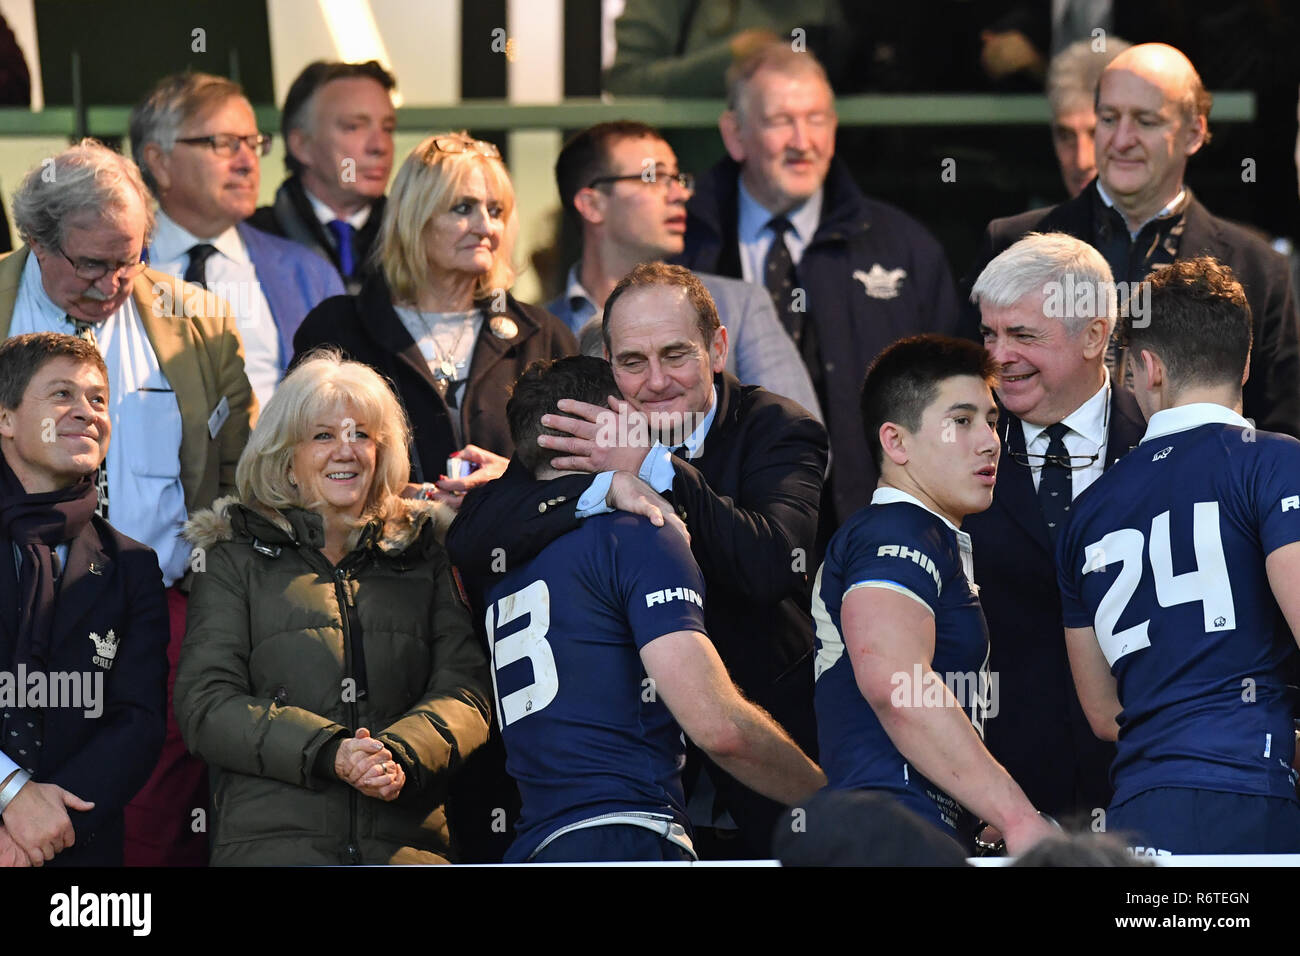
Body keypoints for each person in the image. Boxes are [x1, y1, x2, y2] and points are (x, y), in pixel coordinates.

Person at [447, 262, 827, 858]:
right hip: (631, 796)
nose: (654, 382)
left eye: (675, 354)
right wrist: (602, 488)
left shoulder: (778, 427)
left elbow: (772, 562)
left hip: (765, 768)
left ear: (717, 348)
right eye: (631, 362)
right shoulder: (588, 431)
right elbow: (473, 535)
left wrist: (650, 466)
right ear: (607, 367)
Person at [0, 138, 255, 866]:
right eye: (91, 263)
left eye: (131, 258)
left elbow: (242, 467)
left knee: (150, 827)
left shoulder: (198, 323)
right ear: (36, 241)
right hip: (9, 597)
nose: (112, 282)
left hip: (160, 611)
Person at [174, 351, 491, 865]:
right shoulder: (234, 560)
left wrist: (401, 754)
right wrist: (329, 753)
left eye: (361, 434)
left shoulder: (425, 556)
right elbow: (205, 705)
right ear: (286, 459)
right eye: (323, 436)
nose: (346, 450)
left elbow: (468, 694)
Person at [1058, 256, 1300, 855]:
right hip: (1252, 787)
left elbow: (1100, 711)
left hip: (1139, 805)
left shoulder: (1086, 513)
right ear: (1244, 361)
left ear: (1147, 367)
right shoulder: (1273, 462)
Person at [680, 42, 964, 536]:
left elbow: (953, 396)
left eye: (816, 120)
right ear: (735, 135)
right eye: (780, 122)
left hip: (876, 528)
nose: (802, 141)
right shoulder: (688, 244)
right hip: (721, 530)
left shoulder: (905, 247)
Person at [966, 42, 1300, 437]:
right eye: (1108, 119)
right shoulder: (1009, 243)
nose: (1120, 140)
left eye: (1145, 121)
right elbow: (966, 399)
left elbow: (1280, 432)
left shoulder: (1258, 268)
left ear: (1195, 132)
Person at [812, 333, 1054, 854]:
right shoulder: (895, 529)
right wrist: (1017, 817)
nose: (991, 440)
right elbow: (895, 686)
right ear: (896, 443)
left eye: (991, 420)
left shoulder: (925, 535)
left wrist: (979, 808)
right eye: (961, 421)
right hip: (890, 835)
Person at [964, 232, 1146, 821]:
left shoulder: (1164, 441)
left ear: (1095, 335)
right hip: (1005, 799)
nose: (998, 356)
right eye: (989, 334)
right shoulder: (950, 446)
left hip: (1146, 788)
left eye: (1022, 335)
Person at [294, 132, 577, 505]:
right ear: (415, 217)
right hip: (376, 557)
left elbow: (582, 471)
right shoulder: (338, 330)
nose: (486, 228)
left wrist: (510, 481)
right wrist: (400, 500)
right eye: (463, 209)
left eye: (496, 212)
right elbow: (301, 464)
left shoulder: (543, 335)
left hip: (517, 560)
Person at [0, 333, 167, 868]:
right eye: (62, 395)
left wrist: (44, 827)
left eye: (98, 399)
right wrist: (9, 793)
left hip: (75, 852)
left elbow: (137, 724)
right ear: (5, 418)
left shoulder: (133, 565)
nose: (87, 413)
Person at [549, 120, 821, 419]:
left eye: (677, 177)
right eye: (654, 177)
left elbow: (803, 439)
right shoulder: (541, 329)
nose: (680, 193)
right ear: (592, 204)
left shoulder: (739, 306)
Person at [131, 72, 344, 411]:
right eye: (225, 143)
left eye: (254, 144)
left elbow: (341, 403)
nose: (247, 163)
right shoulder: (112, 271)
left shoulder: (308, 275)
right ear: (160, 162)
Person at [248, 60, 397, 294]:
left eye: (388, 129)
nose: (379, 146)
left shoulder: (421, 240)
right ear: (302, 145)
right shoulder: (249, 239)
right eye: (353, 127)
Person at [1046, 37, 1131, 198]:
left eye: (1097, 134)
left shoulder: (1190, 222)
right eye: (1066, 137)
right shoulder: (1033, 224)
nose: (1082, 162)